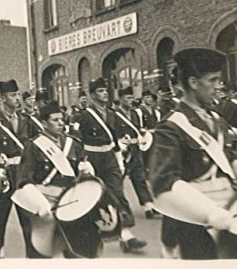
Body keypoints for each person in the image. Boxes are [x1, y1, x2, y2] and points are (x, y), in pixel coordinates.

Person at [148, 48, 237, 259]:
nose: (219, 87)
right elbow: (163, 182)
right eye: (213, 80)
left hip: (231, 214)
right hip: (194, 224)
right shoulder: (171, 127)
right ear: (193, 82)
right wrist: (209, 212)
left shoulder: (217, 120)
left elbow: (226, 164)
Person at [16, 100, 108, 258]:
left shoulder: (73, 143)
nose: (61, 123)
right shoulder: (33, 146)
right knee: (40, 255)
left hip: (69, 205)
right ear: (44, 123)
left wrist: (86, 171)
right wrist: (40, 205)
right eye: (55, 120)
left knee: (75, 252)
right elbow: (24, 181)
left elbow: (82, 172)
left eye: (62, 119)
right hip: (45, 205)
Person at [70, 78, 147, 253]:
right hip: (92, 157)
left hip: (109, 157)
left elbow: (114, 139)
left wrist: (119, 158)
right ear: (92, 95)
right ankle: (91, 236)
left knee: (118, 194)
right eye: (100, 91)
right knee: (94, 198)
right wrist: (83, 161)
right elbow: (76, 140)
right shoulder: (82, 116)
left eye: (106, 90)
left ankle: (126, 236)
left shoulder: (112, 114)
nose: (105, 93)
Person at [0, 79, 30, 259]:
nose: (17, 98)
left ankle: (33, 256)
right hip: (4, 176)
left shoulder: (26, 120)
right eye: (12, 95)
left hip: (24, 175)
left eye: (18, 94)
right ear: (3, 98)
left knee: (29, 218)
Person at [113, 88, 158, 220]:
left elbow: (136, 129)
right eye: (128, 98)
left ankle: (148, 205)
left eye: (132, 98)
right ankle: (118, 208)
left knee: (139, 177)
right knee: (118, 180)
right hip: (122, 150)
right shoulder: (114, 114)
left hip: (135, 148)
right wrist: (119, 143)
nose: (131, 101)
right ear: (121, 99)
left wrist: (142, 135)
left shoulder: (134, 114)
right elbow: (112, 131)